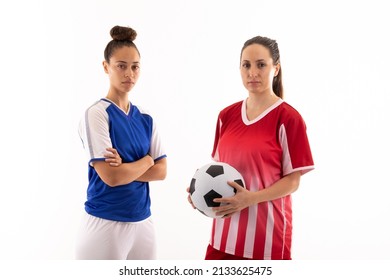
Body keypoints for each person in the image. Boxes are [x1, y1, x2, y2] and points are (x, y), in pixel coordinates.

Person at [188, 36, 314, 260]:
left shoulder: (288, 118)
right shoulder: (226, 116)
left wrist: (250, 198)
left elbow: (293, 181)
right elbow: (221, 170)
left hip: (266, 243)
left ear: (276, 69)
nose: (252, 72)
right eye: (246, 65)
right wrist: (200, 193)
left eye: (261, 65)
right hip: (221, 239)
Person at [76, 25, 167, 260]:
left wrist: (127, 166)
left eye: (135, 67)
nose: (130, 74)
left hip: (143, 222)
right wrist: (147, 160)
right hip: (105, 222)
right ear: (106, 67)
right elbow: (111, 177)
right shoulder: (97, 113)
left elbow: (162, 171)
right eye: (121, 66)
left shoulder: (146, 117)